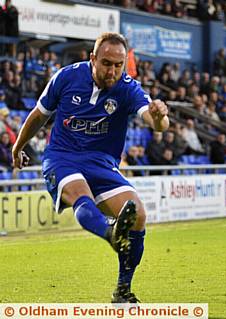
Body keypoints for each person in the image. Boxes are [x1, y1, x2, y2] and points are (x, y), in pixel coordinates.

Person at [11, 32, 170, 303]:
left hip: (101, 163)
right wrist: (18, 147)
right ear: (93, 58)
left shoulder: (128, 87)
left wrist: (159, 117)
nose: (113, 70)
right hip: (63, 156)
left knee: (139, 216)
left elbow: (155, 122)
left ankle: (122, 289)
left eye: (119, 65)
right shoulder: (66, 77)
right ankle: (109, 232)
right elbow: (39, 115)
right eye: (107, 63)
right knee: (79, 193)